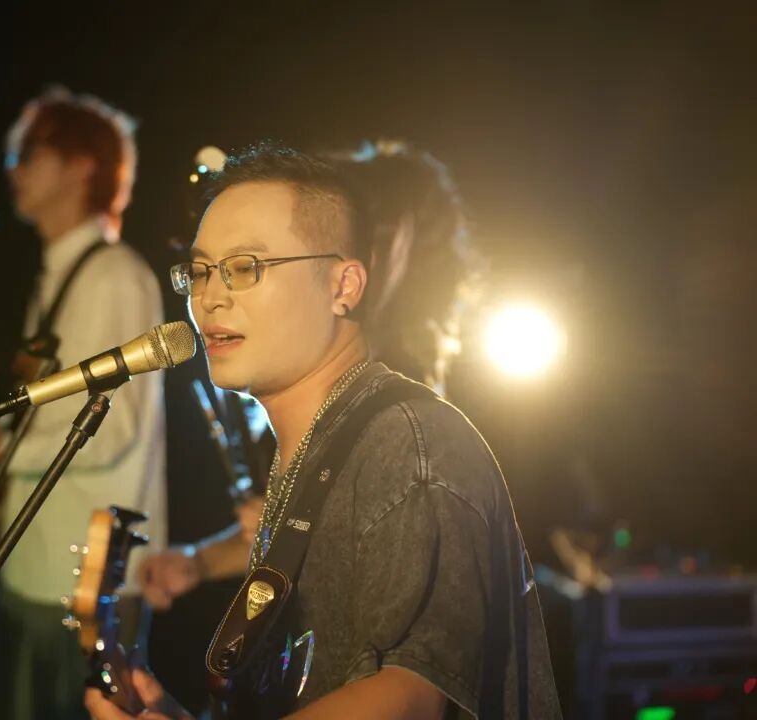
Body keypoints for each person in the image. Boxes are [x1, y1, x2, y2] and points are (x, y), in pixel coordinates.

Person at [89, 144, 560, 718]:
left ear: (345, 285)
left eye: (246, 267)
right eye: (201, 271)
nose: (209, 296)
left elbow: (411, 694)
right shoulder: (314, 448)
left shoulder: (410, 440)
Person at [140, 140, 482, 605]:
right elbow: (296, 526)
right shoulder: (307, 373)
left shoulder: (407, 416)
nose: (211, 296)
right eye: (201, 272)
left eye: (379, 232)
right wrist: (199, 562)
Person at [0, 87, 166, 720]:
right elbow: (61, 414)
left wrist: (2, 449)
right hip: (38, 566)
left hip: (81, 581)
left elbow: (111, 429)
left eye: (27, 153)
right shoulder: (64, 272)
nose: (12, 168)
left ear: (81, 165)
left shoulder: (112, 275)